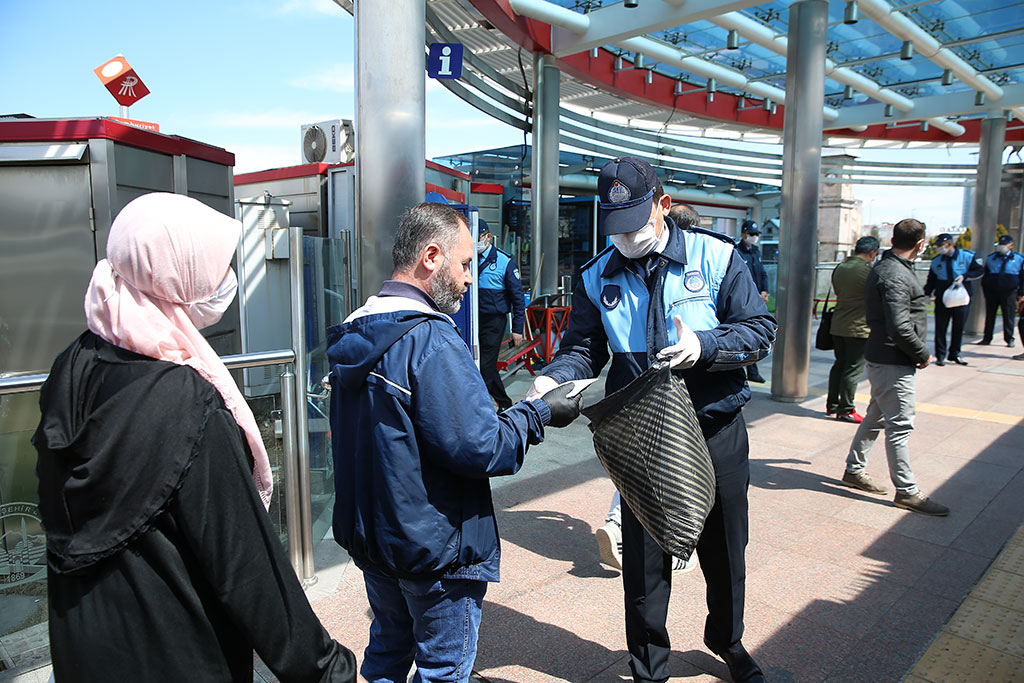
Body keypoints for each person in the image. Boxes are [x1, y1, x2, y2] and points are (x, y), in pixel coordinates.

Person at [32, 193, 357, 682]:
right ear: (172, 276)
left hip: (83, 643)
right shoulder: (186, 402)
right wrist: (326, 667)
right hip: (178, 649)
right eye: (212, 268)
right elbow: (246, 564)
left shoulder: (73, 365)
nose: (225, 281)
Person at [527, 157, 777, 683]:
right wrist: (556, 376)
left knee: (726, 546)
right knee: (642, 563)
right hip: (644, 436)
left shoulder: (718, 257)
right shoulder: (598, 275)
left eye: (636, 226)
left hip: (714, 427)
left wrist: (704, 346)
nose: (625, 239)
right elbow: (582, 348)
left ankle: (727, 641)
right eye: (614, 229)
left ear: (663, 207)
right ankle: (648, 666)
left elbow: (759, 330)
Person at [326, 202, 582, 683]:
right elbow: (484, 447)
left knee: (386, 650)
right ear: (430, 256)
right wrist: (541, 410)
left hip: (375, 537)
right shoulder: (431, 342)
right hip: (434, 547)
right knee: (443, 668)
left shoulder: (359, 328)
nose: (470, 278)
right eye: (465, 264)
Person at [841, 219, 949, 517]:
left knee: (877, 414)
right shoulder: (895, 273)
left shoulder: (891, 267)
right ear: (920, 243)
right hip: (893, 359)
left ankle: (854, 469)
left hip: (885, 357)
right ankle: (907, 491)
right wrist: (922, 353)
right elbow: (900, 325)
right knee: (900, 424)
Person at [826, 236, 880, 423]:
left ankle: (832, 404)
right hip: (858, 327)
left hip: (838, 324)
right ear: (872, 253)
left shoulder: (841, 268)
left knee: (839, 365)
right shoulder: (867, 273)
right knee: (853, 369)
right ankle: (846, 409)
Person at [476, 219, 527, 410]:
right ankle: (492, 403)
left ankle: (498, 404)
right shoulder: (468, 258)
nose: (476, 243)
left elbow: (518, 298)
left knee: (486, 367)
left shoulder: (505, 261)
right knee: (474, 364)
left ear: (488, 237)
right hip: (472, 321)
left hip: (494, 322)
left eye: (478, 238)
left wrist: (517, 329)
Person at [924, 232, 984, 366]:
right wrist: (927, 294)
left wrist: (965, 276)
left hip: (961, 297)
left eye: (940, 245)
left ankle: (955, 353)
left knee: (958, 327)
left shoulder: (967, 256)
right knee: (941, 327)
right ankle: (940, 355)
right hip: (943, 298)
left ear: (949, 244)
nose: (939, 248)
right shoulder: (936, 261)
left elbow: (979, 271)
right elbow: (931, 279)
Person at [735, 219, 770, 383]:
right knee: (745, 335)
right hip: (743, 301)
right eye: (751, 234)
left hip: (757, 300)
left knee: (754, 336)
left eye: (756, 234)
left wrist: (764, 291)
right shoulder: (736, 251)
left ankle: (753, 370)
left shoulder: (756, 251)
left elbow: (762, 274)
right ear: (743, 234)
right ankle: (743, 369)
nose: (754, 237)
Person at [978, 235, 1024, 348]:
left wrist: (1021, 293)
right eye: (1000, 244)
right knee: (990, 315)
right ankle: (987, 337)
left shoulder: (1019, 259)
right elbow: (985, 276)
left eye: (1004, 244)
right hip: (992, 292)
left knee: (1009, 316)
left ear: (1011, 245)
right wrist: (986, 290)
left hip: (1009, 292)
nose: (1002, 247)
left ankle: (1009, 338)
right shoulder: (991, 258)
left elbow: (1023, 278)